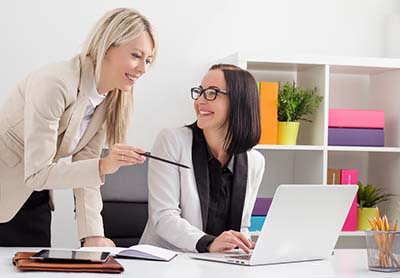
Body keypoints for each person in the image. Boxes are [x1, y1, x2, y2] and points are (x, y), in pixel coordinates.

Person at [0, 8, 157, 247]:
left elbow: (86, 166)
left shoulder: (106, 101)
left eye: (148, 60)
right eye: (136, 55)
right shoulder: (55, 84)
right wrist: (104, 165)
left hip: (35, 199)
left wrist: (93, 235)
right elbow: (37, 173)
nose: (143, 69)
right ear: (108, 46)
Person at [140, 64, 265, 253]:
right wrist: (208, 243)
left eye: (212, 93)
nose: (200, 100)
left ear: (240, 102)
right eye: (200, 91)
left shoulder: (255, 161)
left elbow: (243, 225)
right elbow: (163, 217)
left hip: (219, 264)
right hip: (169, 261)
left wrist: (244, 246)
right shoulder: (172, 141)